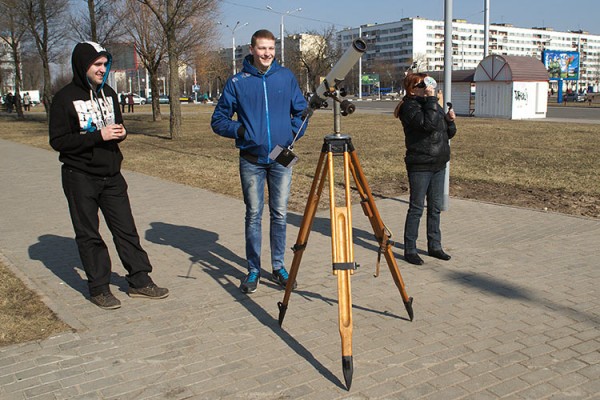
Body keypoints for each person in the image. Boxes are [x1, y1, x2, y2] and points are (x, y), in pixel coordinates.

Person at [49, 41, 168, 309]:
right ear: (83, 65)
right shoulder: (64, 98)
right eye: (97, 64)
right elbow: (58, 140)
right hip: (79, 175)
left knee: (126, 229)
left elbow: (117, 127)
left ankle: (140, 280)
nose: (102, 69)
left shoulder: (110, 95)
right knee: (89, 233)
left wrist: (121, 133)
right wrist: (96, 136)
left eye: (105, 64)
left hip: (112, 175)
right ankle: (99, 288)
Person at [211, 29, 307, 294]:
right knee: (253, 214)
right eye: (262, 49)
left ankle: (278, 267)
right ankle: (253, 269)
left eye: (271, 49)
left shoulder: (286, 77)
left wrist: (292, 133)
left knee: (280, 213)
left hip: (280, 155)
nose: (267, 54)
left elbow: (302, 111)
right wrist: (241, 131)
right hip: (251, 159)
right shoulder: (237, 82)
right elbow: (218, 121)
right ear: (251, 49)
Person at [393, 73, 456, 265]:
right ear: (413, 88)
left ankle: (434, 246)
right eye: (423, 84)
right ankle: (410, 249)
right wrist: (431, 100)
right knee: (417, 208)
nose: (427, 87)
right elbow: (427, 126)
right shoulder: (409, 107)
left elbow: (448, 133)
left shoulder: (431, 104)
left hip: (438, 163)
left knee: (435, 208)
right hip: (420, 164)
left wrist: (450, 120)